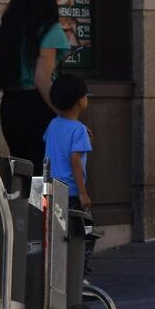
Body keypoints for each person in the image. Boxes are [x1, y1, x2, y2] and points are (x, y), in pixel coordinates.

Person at [0, 0, 70, 173]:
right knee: (43, 178)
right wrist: (64, 113)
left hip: (10, 107)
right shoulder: (50, 29)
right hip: (39, 107)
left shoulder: (7, 27)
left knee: (21, 176)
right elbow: (42, 79)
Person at [44, 73, 95, 272]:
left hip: (53, 188)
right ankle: (80, 274)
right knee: (86, 233)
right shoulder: (79, 130)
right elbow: (75, 159)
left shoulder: (53, 124)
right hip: (72, 192)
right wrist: (83, 192)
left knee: (58, 235)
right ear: (80, 101)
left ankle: (59, 273)